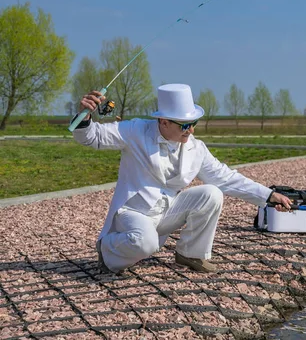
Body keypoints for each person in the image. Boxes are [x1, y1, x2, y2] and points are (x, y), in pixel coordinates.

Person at [72, 83, 292, 274]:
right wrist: (85, 116)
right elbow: (93, 138)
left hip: (166, 211)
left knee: (212, 193)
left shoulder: (197, 148)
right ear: (164, 122)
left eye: (193, 122)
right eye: (185, 125)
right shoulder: (135, 131)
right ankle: (108, 252)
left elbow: (226, 177)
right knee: (145, 244)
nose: (191, 130)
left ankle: (190, 254)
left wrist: (268, 195)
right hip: (133, 212)